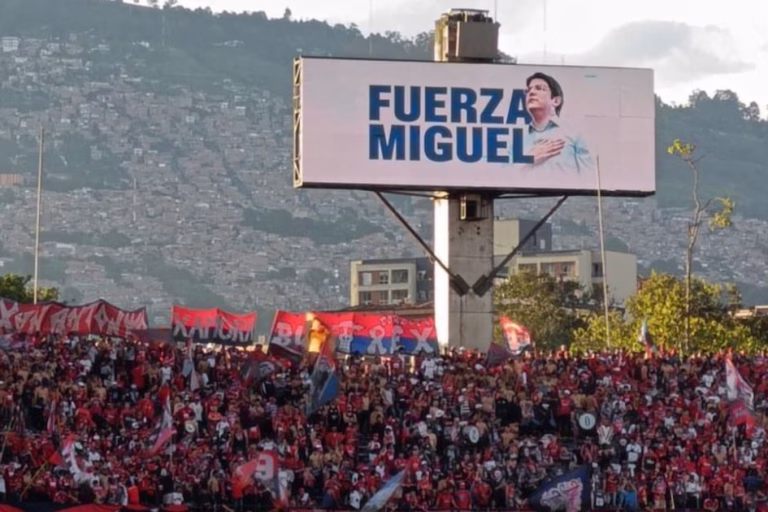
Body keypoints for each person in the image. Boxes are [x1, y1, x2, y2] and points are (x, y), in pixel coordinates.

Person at [519, 71, 596, 174]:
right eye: (528, 90)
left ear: (556, 101)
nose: (531, 92)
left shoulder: (575, 132)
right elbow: (505, 177)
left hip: (565, 190)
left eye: (539, 88)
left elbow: (589, 176)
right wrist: (529, 159)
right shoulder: (517, 137)